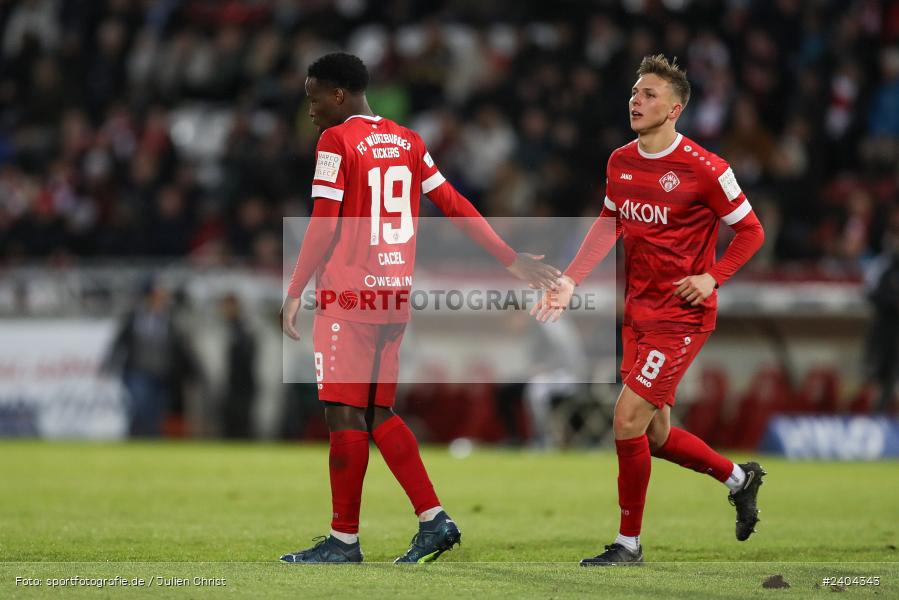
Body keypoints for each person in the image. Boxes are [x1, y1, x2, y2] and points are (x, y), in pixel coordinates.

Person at [279, 52, 560, 564]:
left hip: (349, 295)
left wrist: (295, 288)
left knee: (343, 412)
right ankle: (434, 519)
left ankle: (344, 541)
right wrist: (510, 258)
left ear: (338, 95)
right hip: (394, 297)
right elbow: (452, 202)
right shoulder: (409, 141)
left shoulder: (335, 141)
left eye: (313, 98)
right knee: (376, 411)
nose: (311, 110)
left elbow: (322, 223)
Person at [532, 55, 767, 566]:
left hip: (682, 318)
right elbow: (608, 222)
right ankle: (738, 478)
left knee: (625, 419)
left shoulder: (707, 169)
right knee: (654, 435)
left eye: (649, 94)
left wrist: (712, 276)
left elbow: (751, 231)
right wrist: (571, 279)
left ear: (676, 108)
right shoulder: (620, 161)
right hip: (638, 316)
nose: (636, 101)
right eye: (635, 93)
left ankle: (628, 545)